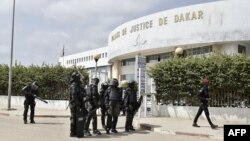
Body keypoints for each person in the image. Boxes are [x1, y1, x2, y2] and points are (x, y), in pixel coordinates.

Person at [69, 72, 87, 137]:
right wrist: (78, 104)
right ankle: (72, 132)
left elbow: (83, 93)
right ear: (76, 78)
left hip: (79, 104)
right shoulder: (73, 85)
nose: (80, 78)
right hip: (74, 104)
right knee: (73, 118)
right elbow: (74, 96)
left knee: (79, 118)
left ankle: (77, 131)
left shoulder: (78, 85)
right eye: (79, 77)